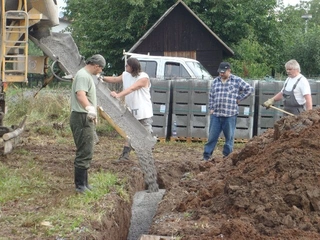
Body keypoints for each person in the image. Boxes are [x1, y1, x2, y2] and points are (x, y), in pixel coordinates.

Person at [100, 57, 153, 162]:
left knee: (145, 134)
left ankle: (147, 157)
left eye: (127, 65)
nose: (125, 67)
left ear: (132, 67)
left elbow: (132, 88)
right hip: (131, 110)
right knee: (130, 133)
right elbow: (115, 79)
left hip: (143, 111)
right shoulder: (126, 74)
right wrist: (101, 78)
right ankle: (125, 156)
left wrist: (118, 95)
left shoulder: (143, 78)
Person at [202, 62, 254, 161]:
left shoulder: (237, 80)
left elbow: (249, 89)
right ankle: (206, 156)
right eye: (220, 72)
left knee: (229, 138)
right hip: (216, 115)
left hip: (230, 114)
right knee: (212, 137)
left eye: (223, 72)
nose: (221, 74)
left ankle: (227, 158)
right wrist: (211, 108)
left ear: (229, 70)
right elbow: (211, 96)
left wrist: (239, 98)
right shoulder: (215, 81)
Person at [70, 54, 106, 193]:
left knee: (88, 149)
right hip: (81, 117)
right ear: (96, 66)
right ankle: (80, 186)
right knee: (84, 151)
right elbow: (81, 94)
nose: (100, 71)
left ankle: (85, 184)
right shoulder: (83, 76)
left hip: (84, 117)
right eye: (101, 68)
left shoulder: (85, 75)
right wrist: (89, 108)